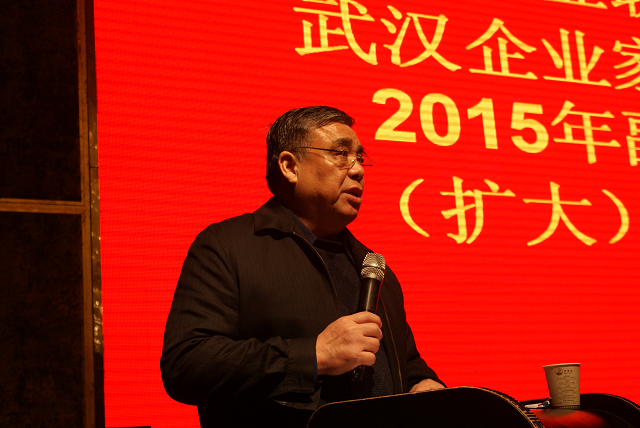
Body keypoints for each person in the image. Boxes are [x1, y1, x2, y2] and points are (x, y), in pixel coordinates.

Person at [160, 106, 445, 428]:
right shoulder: (229, 245)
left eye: (360, 158)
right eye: (341, 154)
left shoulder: (373, 267)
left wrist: (424, 386)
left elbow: (407, 365)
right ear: (289, 166)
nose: (357, 170)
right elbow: (187, 364)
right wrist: (315, 355)